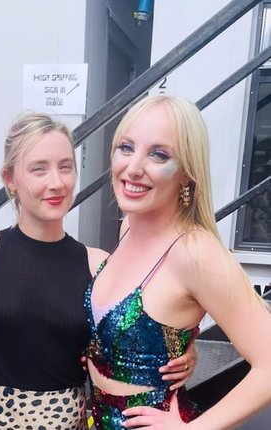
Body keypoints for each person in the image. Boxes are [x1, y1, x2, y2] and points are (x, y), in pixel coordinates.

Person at [0, 112, 196, 430]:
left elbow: (139, 325)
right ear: (10, 179)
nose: (56, 183)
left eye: (65, 167)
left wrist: (184, 347)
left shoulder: (98, 264)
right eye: (39, 169)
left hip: (65, 421)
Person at [85, 94, 271, 429]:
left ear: (186, 172)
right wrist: (181, 342)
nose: (133, 167)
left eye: (159, 154)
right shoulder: (129, 227)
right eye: (126, 147)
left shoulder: (195, 251)